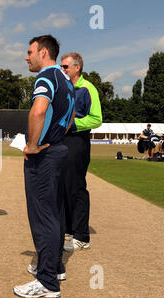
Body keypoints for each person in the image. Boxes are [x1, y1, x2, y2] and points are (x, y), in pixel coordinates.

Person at [13, 35, 75, 298]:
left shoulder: (47, 77)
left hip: (44, 156)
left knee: (43, 217)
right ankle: (55, 266)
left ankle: (47, 281)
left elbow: (38, 111)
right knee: (56, 213)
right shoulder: (67, 81)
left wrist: (34, 144)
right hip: (60, 150)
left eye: (30, 52)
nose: (26, 57)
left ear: (44, 52)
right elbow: (70, 118)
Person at [59, 52, 102, 252]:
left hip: (77, 141)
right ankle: (69, 229)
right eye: (61, 66)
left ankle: (82, 236)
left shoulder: (87, 88)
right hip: (61, 141)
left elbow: (96, 118)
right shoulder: (63, 88)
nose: (62, 69)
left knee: (76, 187)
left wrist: (72, 125)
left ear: (77, 67)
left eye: (65, 67)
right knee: (63, 186)